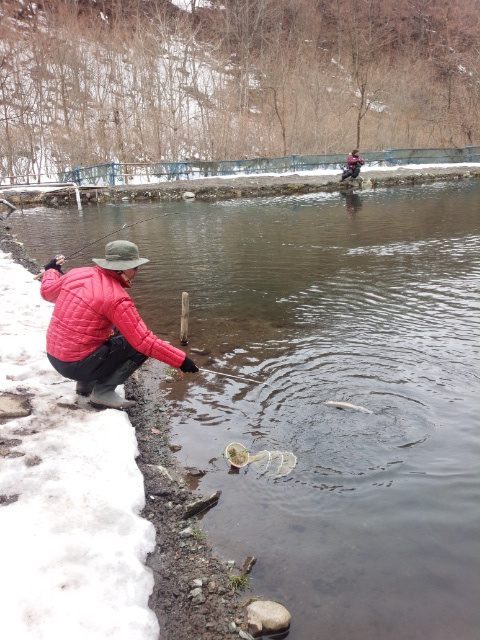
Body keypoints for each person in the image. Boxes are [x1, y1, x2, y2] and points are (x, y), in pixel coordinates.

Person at [40, 240, 198, 410]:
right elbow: (145, 342)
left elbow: (47, 292)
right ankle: (102, 392)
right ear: (121, 268)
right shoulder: (116, 297)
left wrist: (51, 270)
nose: (137, 272)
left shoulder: (76, 274)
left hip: (55, 356)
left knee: (116, 329)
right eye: (135, 267)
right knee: (137, 345)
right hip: (76, 365)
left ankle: (85, 384)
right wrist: (181, 360)